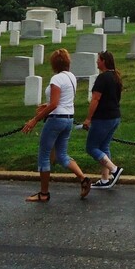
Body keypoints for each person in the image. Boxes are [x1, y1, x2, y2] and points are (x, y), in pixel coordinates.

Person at [22, 48, 90, 202]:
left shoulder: (56, 79)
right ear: (68, 62)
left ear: (53, 64)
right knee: (61, 155)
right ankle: (83, 178)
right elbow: (62, 100)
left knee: (44, 155)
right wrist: (46, 105)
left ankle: (44, 194)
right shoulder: (71, 77)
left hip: (56, 120)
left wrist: (35, 119)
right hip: (68, 119)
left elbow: (54, 104)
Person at [83, 50, 123, 189]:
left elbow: (95, 99)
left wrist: (88, 118)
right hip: (115, 116)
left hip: (103, 118)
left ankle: (114, 169)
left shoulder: (102, 78)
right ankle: (105, 180)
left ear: (104, 61)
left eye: (98, 59)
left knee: (91, 147)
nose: (96, 62)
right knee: (104, 147)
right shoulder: (115, 77)